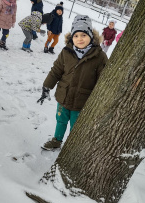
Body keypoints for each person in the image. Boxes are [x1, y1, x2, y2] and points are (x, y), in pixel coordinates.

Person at [37, 15, 108, 151]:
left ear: (91, 36)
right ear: (72, 37)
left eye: (83, 35)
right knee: (61, 121)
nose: (79, 39)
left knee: (76, 125)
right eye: (76, 36)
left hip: (82, 101)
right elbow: (56, 71)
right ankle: (56, 140)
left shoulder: (99, 56)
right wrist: (46, 87)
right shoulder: (66, 52)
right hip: (64, 96)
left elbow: (102, 81)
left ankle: (72, 145)